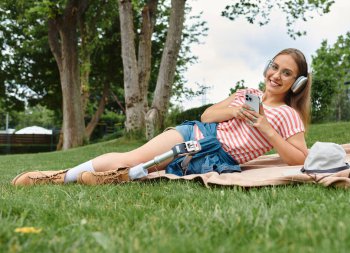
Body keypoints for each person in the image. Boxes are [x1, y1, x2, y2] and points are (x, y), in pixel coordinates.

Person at [11, 48, 311, 186]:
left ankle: (103, 179)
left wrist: (265, 128)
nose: (277, 75)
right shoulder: (246, 92)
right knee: (134, 158)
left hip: (218, 160)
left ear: (296, 83)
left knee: (148, 172)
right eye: (275, 67)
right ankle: (55, 177)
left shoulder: (287, 115)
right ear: (267, 67)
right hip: (198, 136)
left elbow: (299, 158)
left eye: (287, 73)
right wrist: (234, 110)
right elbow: (208, 114)